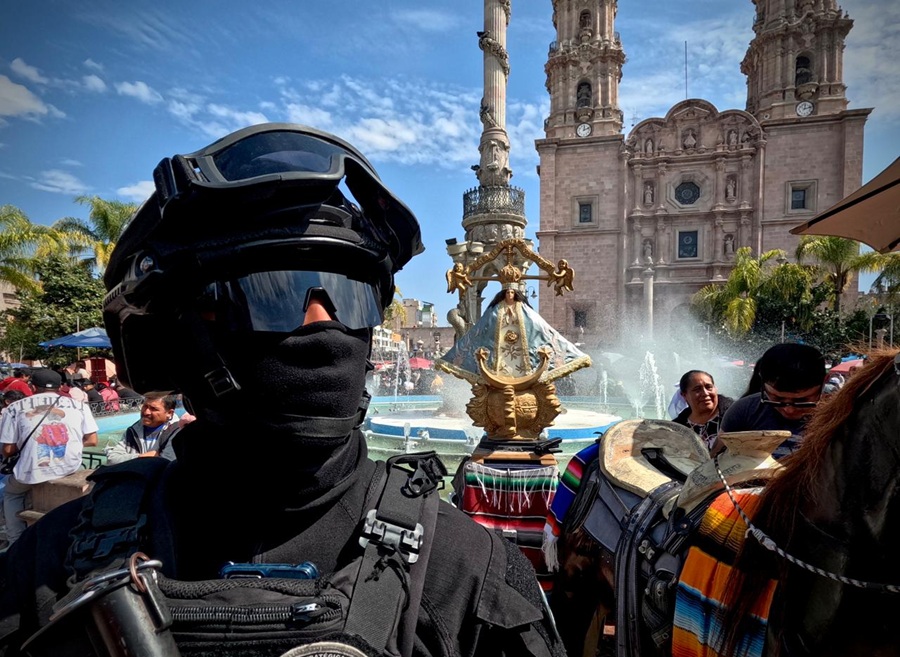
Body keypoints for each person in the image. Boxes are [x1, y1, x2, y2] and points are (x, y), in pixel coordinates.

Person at [0, 123, 563, 657]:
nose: (324, 326)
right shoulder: (53, 567)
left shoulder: (469, 572)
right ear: (178, 335)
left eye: (352, 296)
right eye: (273, 294)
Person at [0, 369, 98, 547]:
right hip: (68, 467)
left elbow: (7, 450)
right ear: (60, 387)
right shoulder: (80, 406)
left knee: (11, 493)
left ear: (32, 386)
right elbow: (92, 440)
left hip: (31, 471)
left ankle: (15, 541)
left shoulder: (13, 408)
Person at [720, 343, 825, 459]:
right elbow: (716, 460)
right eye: (777, 399)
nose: (789, 410)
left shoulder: (836, 416)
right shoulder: (744, 411)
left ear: (825, 381)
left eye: (802, 400)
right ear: (762, 382)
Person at [104, 393, 180, 464]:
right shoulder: (133, 430)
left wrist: (131, 461)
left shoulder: (177, 432)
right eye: (145, 406)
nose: (146, 412)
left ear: (169, 413)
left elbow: (166, 463)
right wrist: (141, 457)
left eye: (153, 409)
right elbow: (112, 459)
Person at [672, 370, 734, 454]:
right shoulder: (676, 429)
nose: (705, 393)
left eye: (709, 387)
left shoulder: (734, 416)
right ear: (684, 395)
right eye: (697, 389)